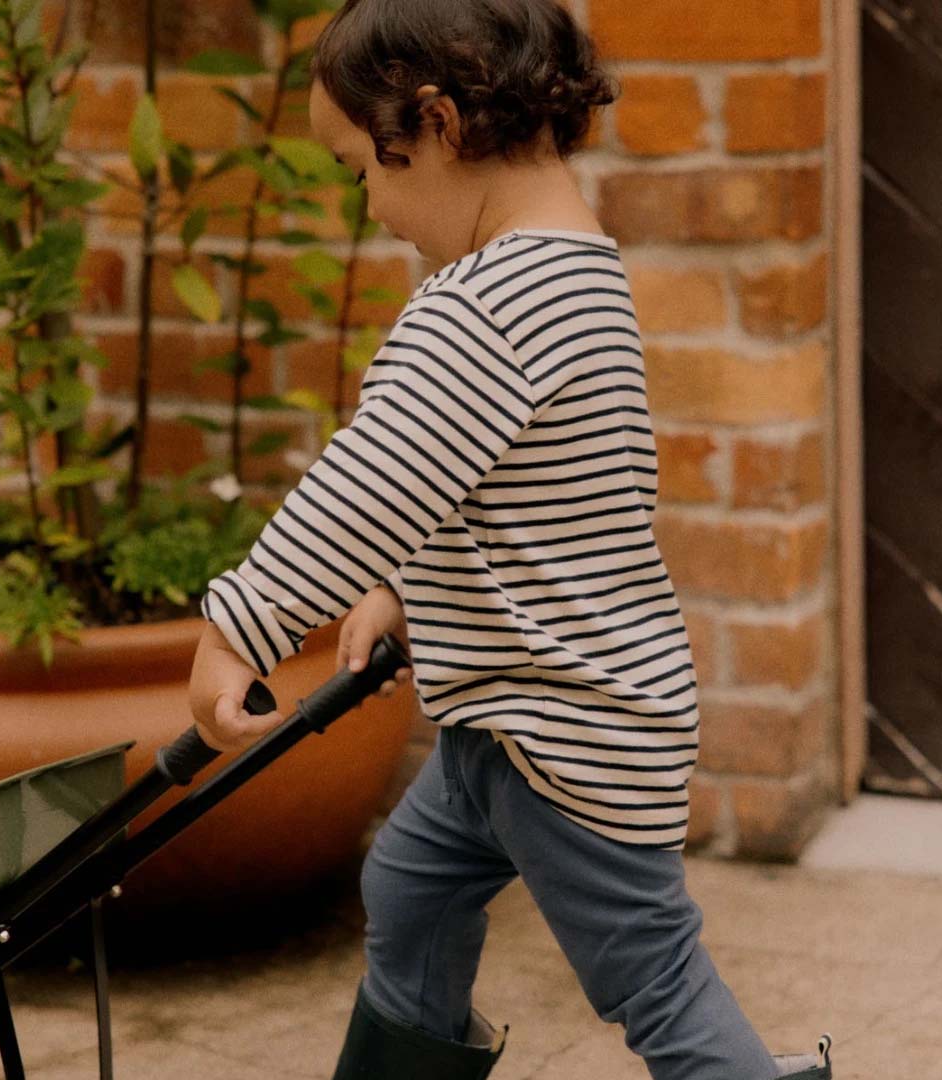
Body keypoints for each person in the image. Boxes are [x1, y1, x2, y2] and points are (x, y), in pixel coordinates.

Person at [188, 1, 834, 1077]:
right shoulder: (576, 271)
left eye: (364, 169)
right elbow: (494, 488)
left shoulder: (486, 304)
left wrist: (243, 629)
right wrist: (404, 584)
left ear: (435, 123)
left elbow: (366, 484)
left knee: (653, 983)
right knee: (410, 884)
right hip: (514, 717)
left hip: (563, 732)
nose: (370, 205)